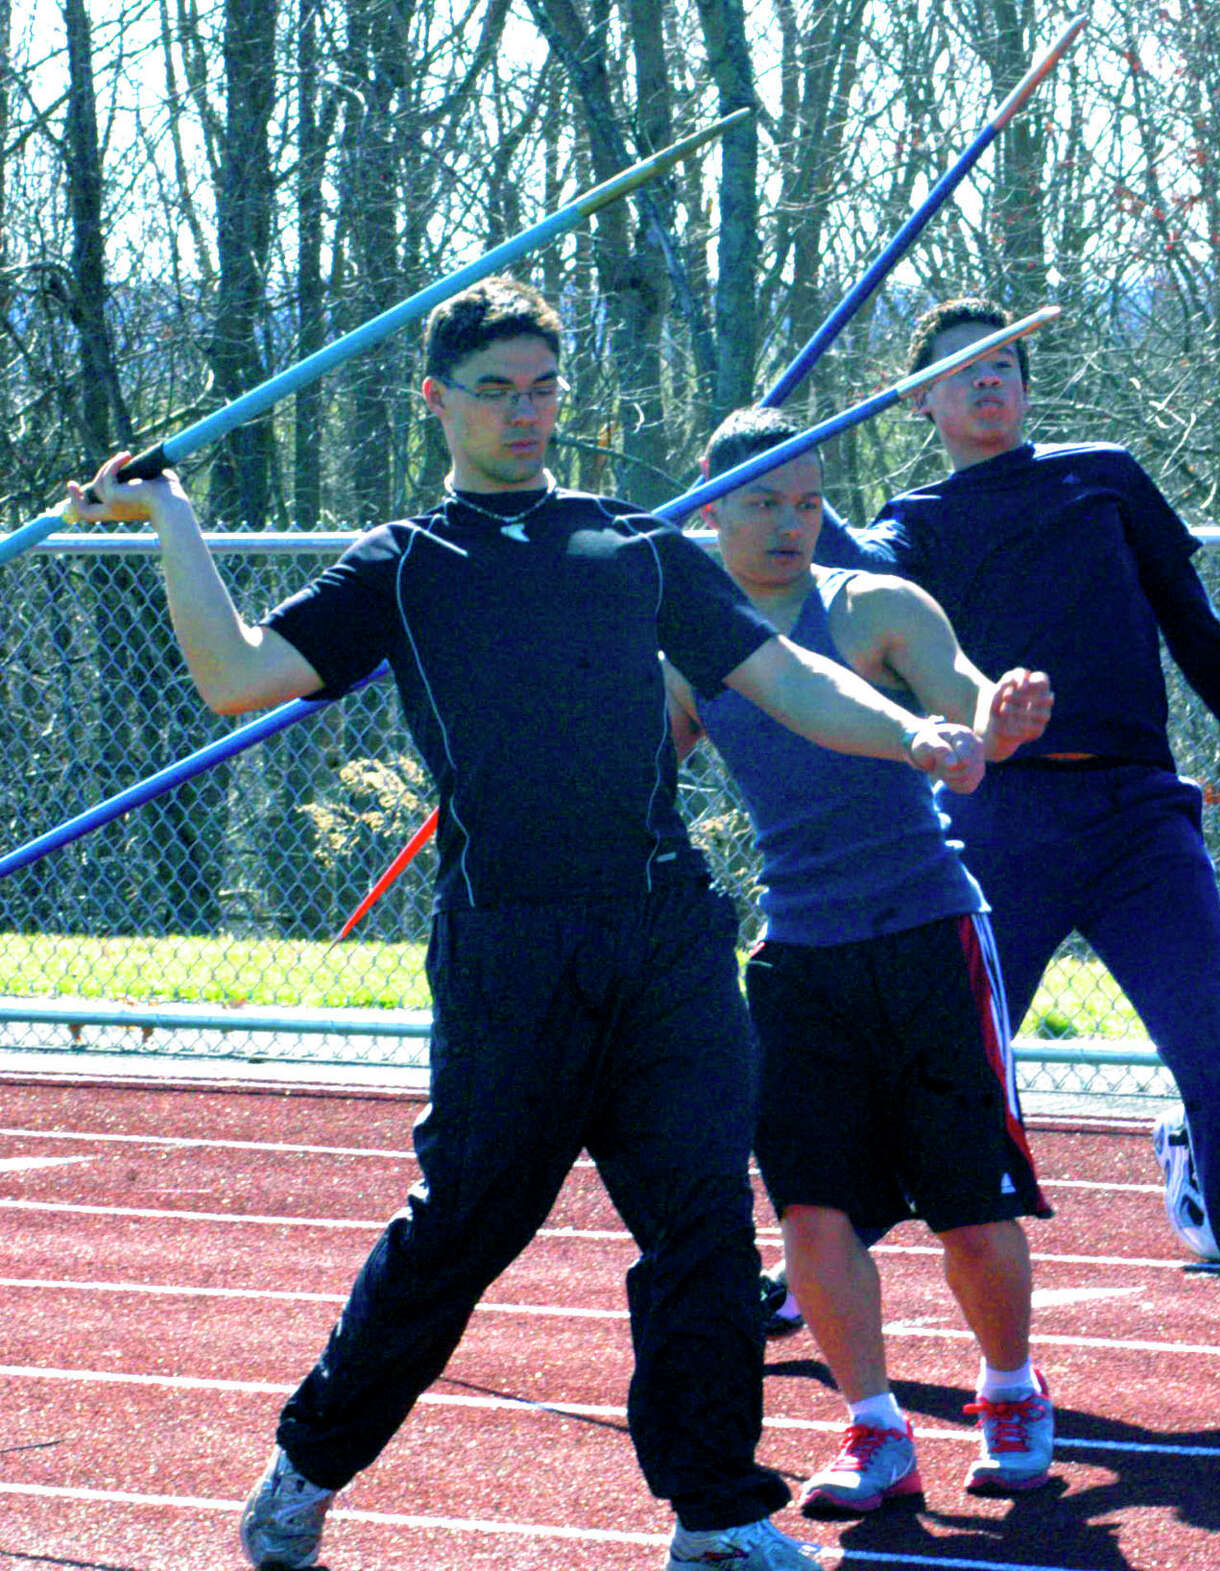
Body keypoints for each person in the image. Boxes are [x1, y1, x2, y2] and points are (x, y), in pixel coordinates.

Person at [66, 277, 997, 1571]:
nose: (524, 412)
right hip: (512, 950)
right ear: (436, 400)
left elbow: (787, 676)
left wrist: (913, 732)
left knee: (702, 1227)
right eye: (496, 389)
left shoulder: (639, 544)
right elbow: (235, 673)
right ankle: (308, 1464)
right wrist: (171, 514)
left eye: (543, 388)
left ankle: (717, 1511)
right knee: (461, 1231)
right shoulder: (405, 566)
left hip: (665, 935)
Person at [812, 297, 1220, 1394]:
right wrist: (778, 482)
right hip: (997, 823)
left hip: (1137, 819)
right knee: (943, 1065)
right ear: (920, 401)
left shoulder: (1104, 476)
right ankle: (810, 1261)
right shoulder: (912, 522)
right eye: (964, 368)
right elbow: (848, 585)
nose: (991, 380)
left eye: (1006, 362)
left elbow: (1198, 633)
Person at [666, 406, 1058, 1514]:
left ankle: (1012, 1388)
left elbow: (969, 709)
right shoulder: (690, 645)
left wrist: (1002, 718)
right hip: (799, 952)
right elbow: (633, 776)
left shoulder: (875, 605)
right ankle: (876, 1426)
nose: (791, 523)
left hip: (929, 931)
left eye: (808, 500)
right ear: (711, 508)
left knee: (969, 1207)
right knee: (811, 1212)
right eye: (764, 503)